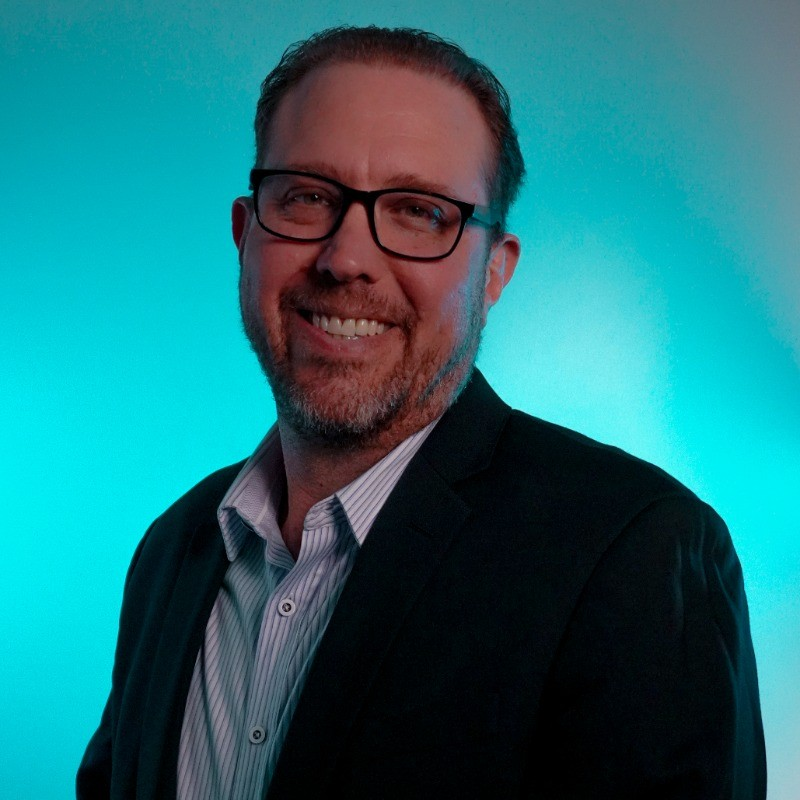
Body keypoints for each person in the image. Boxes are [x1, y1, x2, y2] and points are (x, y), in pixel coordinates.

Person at [77, 25, 766, 800]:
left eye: (418, 212)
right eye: (308, 196)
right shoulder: (174, 550)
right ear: (245, 235)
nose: (346, 259)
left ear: (494, 272)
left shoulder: (634, 554)